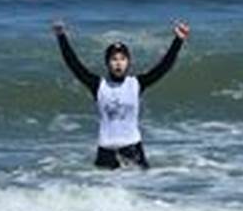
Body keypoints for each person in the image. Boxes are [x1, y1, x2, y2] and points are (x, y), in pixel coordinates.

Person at [52, 20, 190, 169]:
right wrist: (61, 37)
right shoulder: (98, 85)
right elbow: (74, 65)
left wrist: (178, 40)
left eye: (123, 59)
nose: (118, 63)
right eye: (114, 59)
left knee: (144, 183)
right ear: (107, 63)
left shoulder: (136, 84)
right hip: (106, 152)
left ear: (128, 62)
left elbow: (163, 67)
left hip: (132, 149)